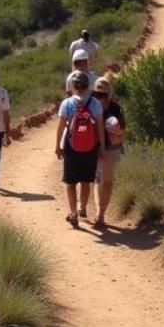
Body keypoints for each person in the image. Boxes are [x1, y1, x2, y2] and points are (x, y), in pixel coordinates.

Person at [56, 70, 106, 226]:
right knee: (86, 180)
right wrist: (102, 147)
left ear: (73, 86)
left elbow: (60, 127)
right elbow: (100, 127)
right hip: (91, 147)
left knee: (70, 182)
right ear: (88, 86)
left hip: (71, 146)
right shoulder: (95, 103)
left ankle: (73, 214)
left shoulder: (67, 103)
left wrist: (57, 146)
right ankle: (82, 207)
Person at [92, 75, 125, 229]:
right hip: (102, 149)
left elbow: (122, 132)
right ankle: (100, 214)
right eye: (98, 94)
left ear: (109, 94)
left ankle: (100, 214)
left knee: (104, 181)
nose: (101, 98)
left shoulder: (114, 109)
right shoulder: (115, 108)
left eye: (103, 95)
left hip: (106, 149)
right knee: (103, 181)